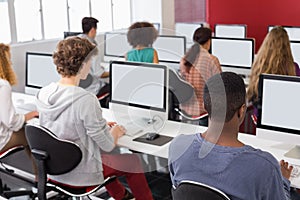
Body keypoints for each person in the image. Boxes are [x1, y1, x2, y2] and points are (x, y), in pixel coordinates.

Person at [35, 37, 153, 200]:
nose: (90, 66)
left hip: (54, 171)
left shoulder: (44, 92)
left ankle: (122, 196)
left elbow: (65, 124)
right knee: (132, 161)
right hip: (81, 174)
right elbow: (108, 144)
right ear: (82, 64)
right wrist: (116, 132)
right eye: (90, 61)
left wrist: (100, 125)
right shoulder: (85, 99)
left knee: (103, 158)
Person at [169, 72, 293, 200]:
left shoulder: (177, 146)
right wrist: (283, 181)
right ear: (242, 110)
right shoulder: (265, 166)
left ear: (205, 106)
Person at [0, 43, 38, 173]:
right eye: (9, 60)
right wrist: (28, 115)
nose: (11, 63)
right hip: (1, 140)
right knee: (32, 135)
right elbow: (11, 122)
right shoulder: (3, 85)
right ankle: (40, 181)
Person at [247, 26, 300, 112]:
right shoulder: (294, 68)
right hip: (284, 115)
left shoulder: (258, 65)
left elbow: (252, 96)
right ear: (287, 45)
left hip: (260, 116)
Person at [179, 27, 221, 118]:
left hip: (185, 111)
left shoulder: (184, 59)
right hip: (203, 112)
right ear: (209, 41)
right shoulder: (212, 59)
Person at [78, 17, 110, 100]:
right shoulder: (91, 46)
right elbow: (99, 74)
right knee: (112, 86)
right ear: (92, 30)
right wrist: (113, 72)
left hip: (77, 87)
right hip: (91, 89)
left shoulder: (75, 41)